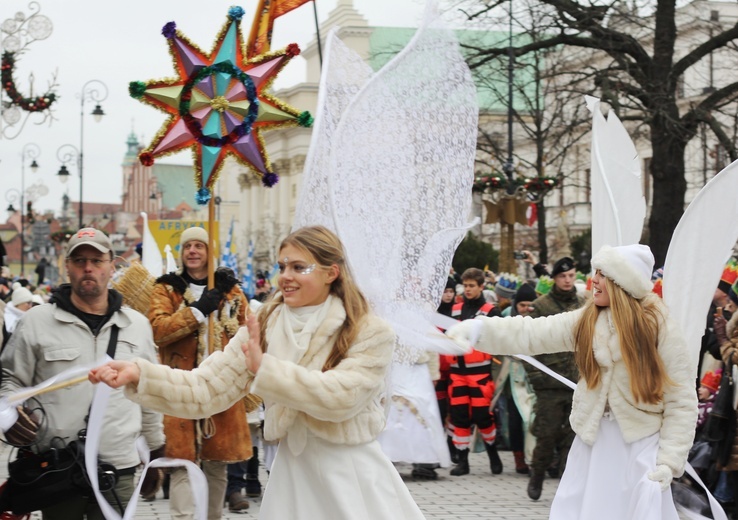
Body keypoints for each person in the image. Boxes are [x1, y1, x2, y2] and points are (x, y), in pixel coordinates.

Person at [90, 226, 426, 520]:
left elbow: (342, 398)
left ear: (331, 272)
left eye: (299, 267)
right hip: (293, 476)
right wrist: (140, 374)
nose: (285, 277)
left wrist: (264, 369)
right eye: (282, 267)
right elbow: (206, 388)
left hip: (351, 476)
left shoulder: (370, 330)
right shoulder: (265, 324)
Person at [446, 244, 697, 519]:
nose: (594, 281)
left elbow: (681, 401)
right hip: (592, 442)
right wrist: (478, 329)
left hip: (639, 447)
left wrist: (669, 462)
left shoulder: (660, 328)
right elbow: (531, 332)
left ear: (621, 282)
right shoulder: (587, 320)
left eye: (602, 274)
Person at [0, 227, 165, 519]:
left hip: (119, 468)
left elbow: (148, 392)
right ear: (68, 268)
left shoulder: (137, 326)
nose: (88, 268)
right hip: (59, 468)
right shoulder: (37, 322)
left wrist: (156, 452)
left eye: (97, 261)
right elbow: (10, 378)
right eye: (79, 261)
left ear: (112, 266)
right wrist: (10, 415)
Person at [147, 226, 252, 517]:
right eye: (188, 246)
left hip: (220, 383)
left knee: (217, 462)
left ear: (209, 252)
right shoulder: (166, 288)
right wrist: (195, 312)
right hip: (180, 383)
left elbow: (248, 331)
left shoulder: (230, 290)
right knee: (182, 461)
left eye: (200, 246)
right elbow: (158, 330)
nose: (193, 251)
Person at [523, 256, 585, 500]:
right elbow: (527, 344)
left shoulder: (583, 305)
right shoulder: (541, 307)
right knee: (547, 433)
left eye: (571, 276)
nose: (567, 280)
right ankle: (537, 473)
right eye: (562, 276)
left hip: (576, 382)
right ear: (555, 278)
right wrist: (536, 377)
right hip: (549, 384)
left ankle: (565, 484)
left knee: (573, 437)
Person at [445, 267, 503, 476]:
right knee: (459, 417)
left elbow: (499, 341)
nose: (467, 289)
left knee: (482, 416)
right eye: (465, 285)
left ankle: (493, 453)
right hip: (457, 373)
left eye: (472, 286)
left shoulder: (490, 311)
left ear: (481, 286)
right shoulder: (455, 309)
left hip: (480, 374)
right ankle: (463, 461)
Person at [2, 286, 33, 351]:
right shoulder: (5, 316)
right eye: (28, 303)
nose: (30, 306)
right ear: (18, 303)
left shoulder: (29, 317)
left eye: (31, 303)